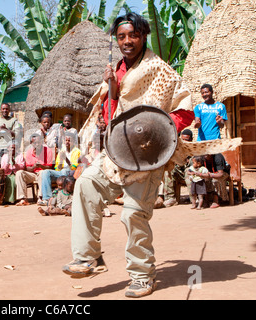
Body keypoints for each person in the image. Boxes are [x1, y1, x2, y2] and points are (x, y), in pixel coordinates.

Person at [62, 13, 195, 298]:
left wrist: (156, 129)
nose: (126, 41)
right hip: (118, 151)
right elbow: (111, 119)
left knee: (134, 214)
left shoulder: (160, 70)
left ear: (143, 36)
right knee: (86, 183)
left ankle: (142, 276)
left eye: (132, 35)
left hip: (149, 156)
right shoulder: (116, 72)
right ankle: (88, 257)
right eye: (121, 37)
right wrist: (111, 90)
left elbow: (185, 111)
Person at [38, 132, 80, 206]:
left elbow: (74, 167)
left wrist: (66, 159)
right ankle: (47, 198)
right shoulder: (61, 151)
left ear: (73, 142)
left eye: (69, 140)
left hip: (71, 173)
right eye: (66, 140)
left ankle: (62, 198)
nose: (67, 142)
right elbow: (57, 168)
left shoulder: (77, 152)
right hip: (61, 172)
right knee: (45, 172)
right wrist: (60, 163)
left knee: (65, 171)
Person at [15, 133, 54, 206]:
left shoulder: (47, 151)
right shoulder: (29, 152)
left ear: (41, 142)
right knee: (19, 173)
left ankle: (41, 197)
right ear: (31, 143)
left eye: (38, 142)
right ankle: (23, 199)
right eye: (34, 143)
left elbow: (50, 167)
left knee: (43, 172)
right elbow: (27, 168)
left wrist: (41, 166)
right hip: (33, 173)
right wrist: (33, 167)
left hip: (42, 173)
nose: (37, 144)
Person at [162, 129, 194, 207]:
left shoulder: (193, 149)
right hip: (179, 172)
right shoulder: (177, 149)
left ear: (191, 139)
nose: (184, 142)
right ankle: (170, 198)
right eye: (182, 140)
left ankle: (193, 199)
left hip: (190, 173)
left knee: (188, 171)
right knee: (168, 171)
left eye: (186, 140)